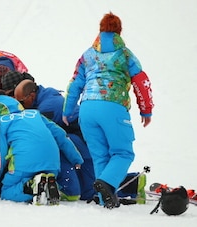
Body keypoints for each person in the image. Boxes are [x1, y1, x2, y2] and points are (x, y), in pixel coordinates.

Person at [62, 12, 154, 209]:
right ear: (119, 31)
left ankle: (107, 201)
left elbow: (75, 83)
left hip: (86, 109)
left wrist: (68, 111)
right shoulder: (125, 54)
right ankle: (108, 183)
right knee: (123, 153)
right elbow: (141, 83)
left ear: (100, 30)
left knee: (100, 156)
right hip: (112, 108)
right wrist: (146, 110)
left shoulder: (87, 55)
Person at [0, 90, 83, 205]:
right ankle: (50, 185)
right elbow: (61, 136)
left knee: (7, 192)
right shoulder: (35, 114)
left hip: (25, 164)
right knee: (45, 176)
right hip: (52, 165)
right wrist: (76, 159)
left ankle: (31, 186)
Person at [13, 77, 95, 202]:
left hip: (83, 138)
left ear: (31, 95)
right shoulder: (46, 97)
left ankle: (68, 188)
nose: (20, 107)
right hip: (81, 136)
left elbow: (40, 137)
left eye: (21, 102)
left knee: (56, 147)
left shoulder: (47, 108)